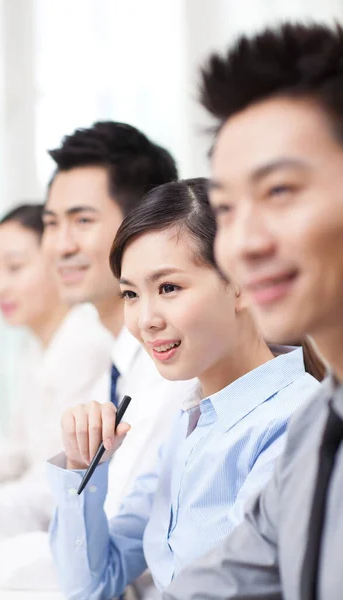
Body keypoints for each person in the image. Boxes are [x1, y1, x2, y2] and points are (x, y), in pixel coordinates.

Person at [47, 178, 321, 600]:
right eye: (131, 294)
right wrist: (83, 468)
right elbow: (91, 585)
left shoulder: (295, 424)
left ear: (242, 285)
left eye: (169, 288)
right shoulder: (190, 424)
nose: (145, 319)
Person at [164, 22, 343, 600]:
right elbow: (221, 584)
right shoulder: (318, 429)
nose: (243, 244)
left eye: (280, 191)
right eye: (227, 208)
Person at [0, 204, 113, 589]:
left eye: (15, 268)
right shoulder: (37, 350)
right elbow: (15, 455)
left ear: (56, 264)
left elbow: (42, 492)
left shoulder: (85, 345)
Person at [42, 121, 196, 525]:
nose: (61, 245)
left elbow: (110, 531)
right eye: (51, 223)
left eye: (82, 221)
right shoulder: (112, 370)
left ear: (142, 224)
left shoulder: (175, 370)